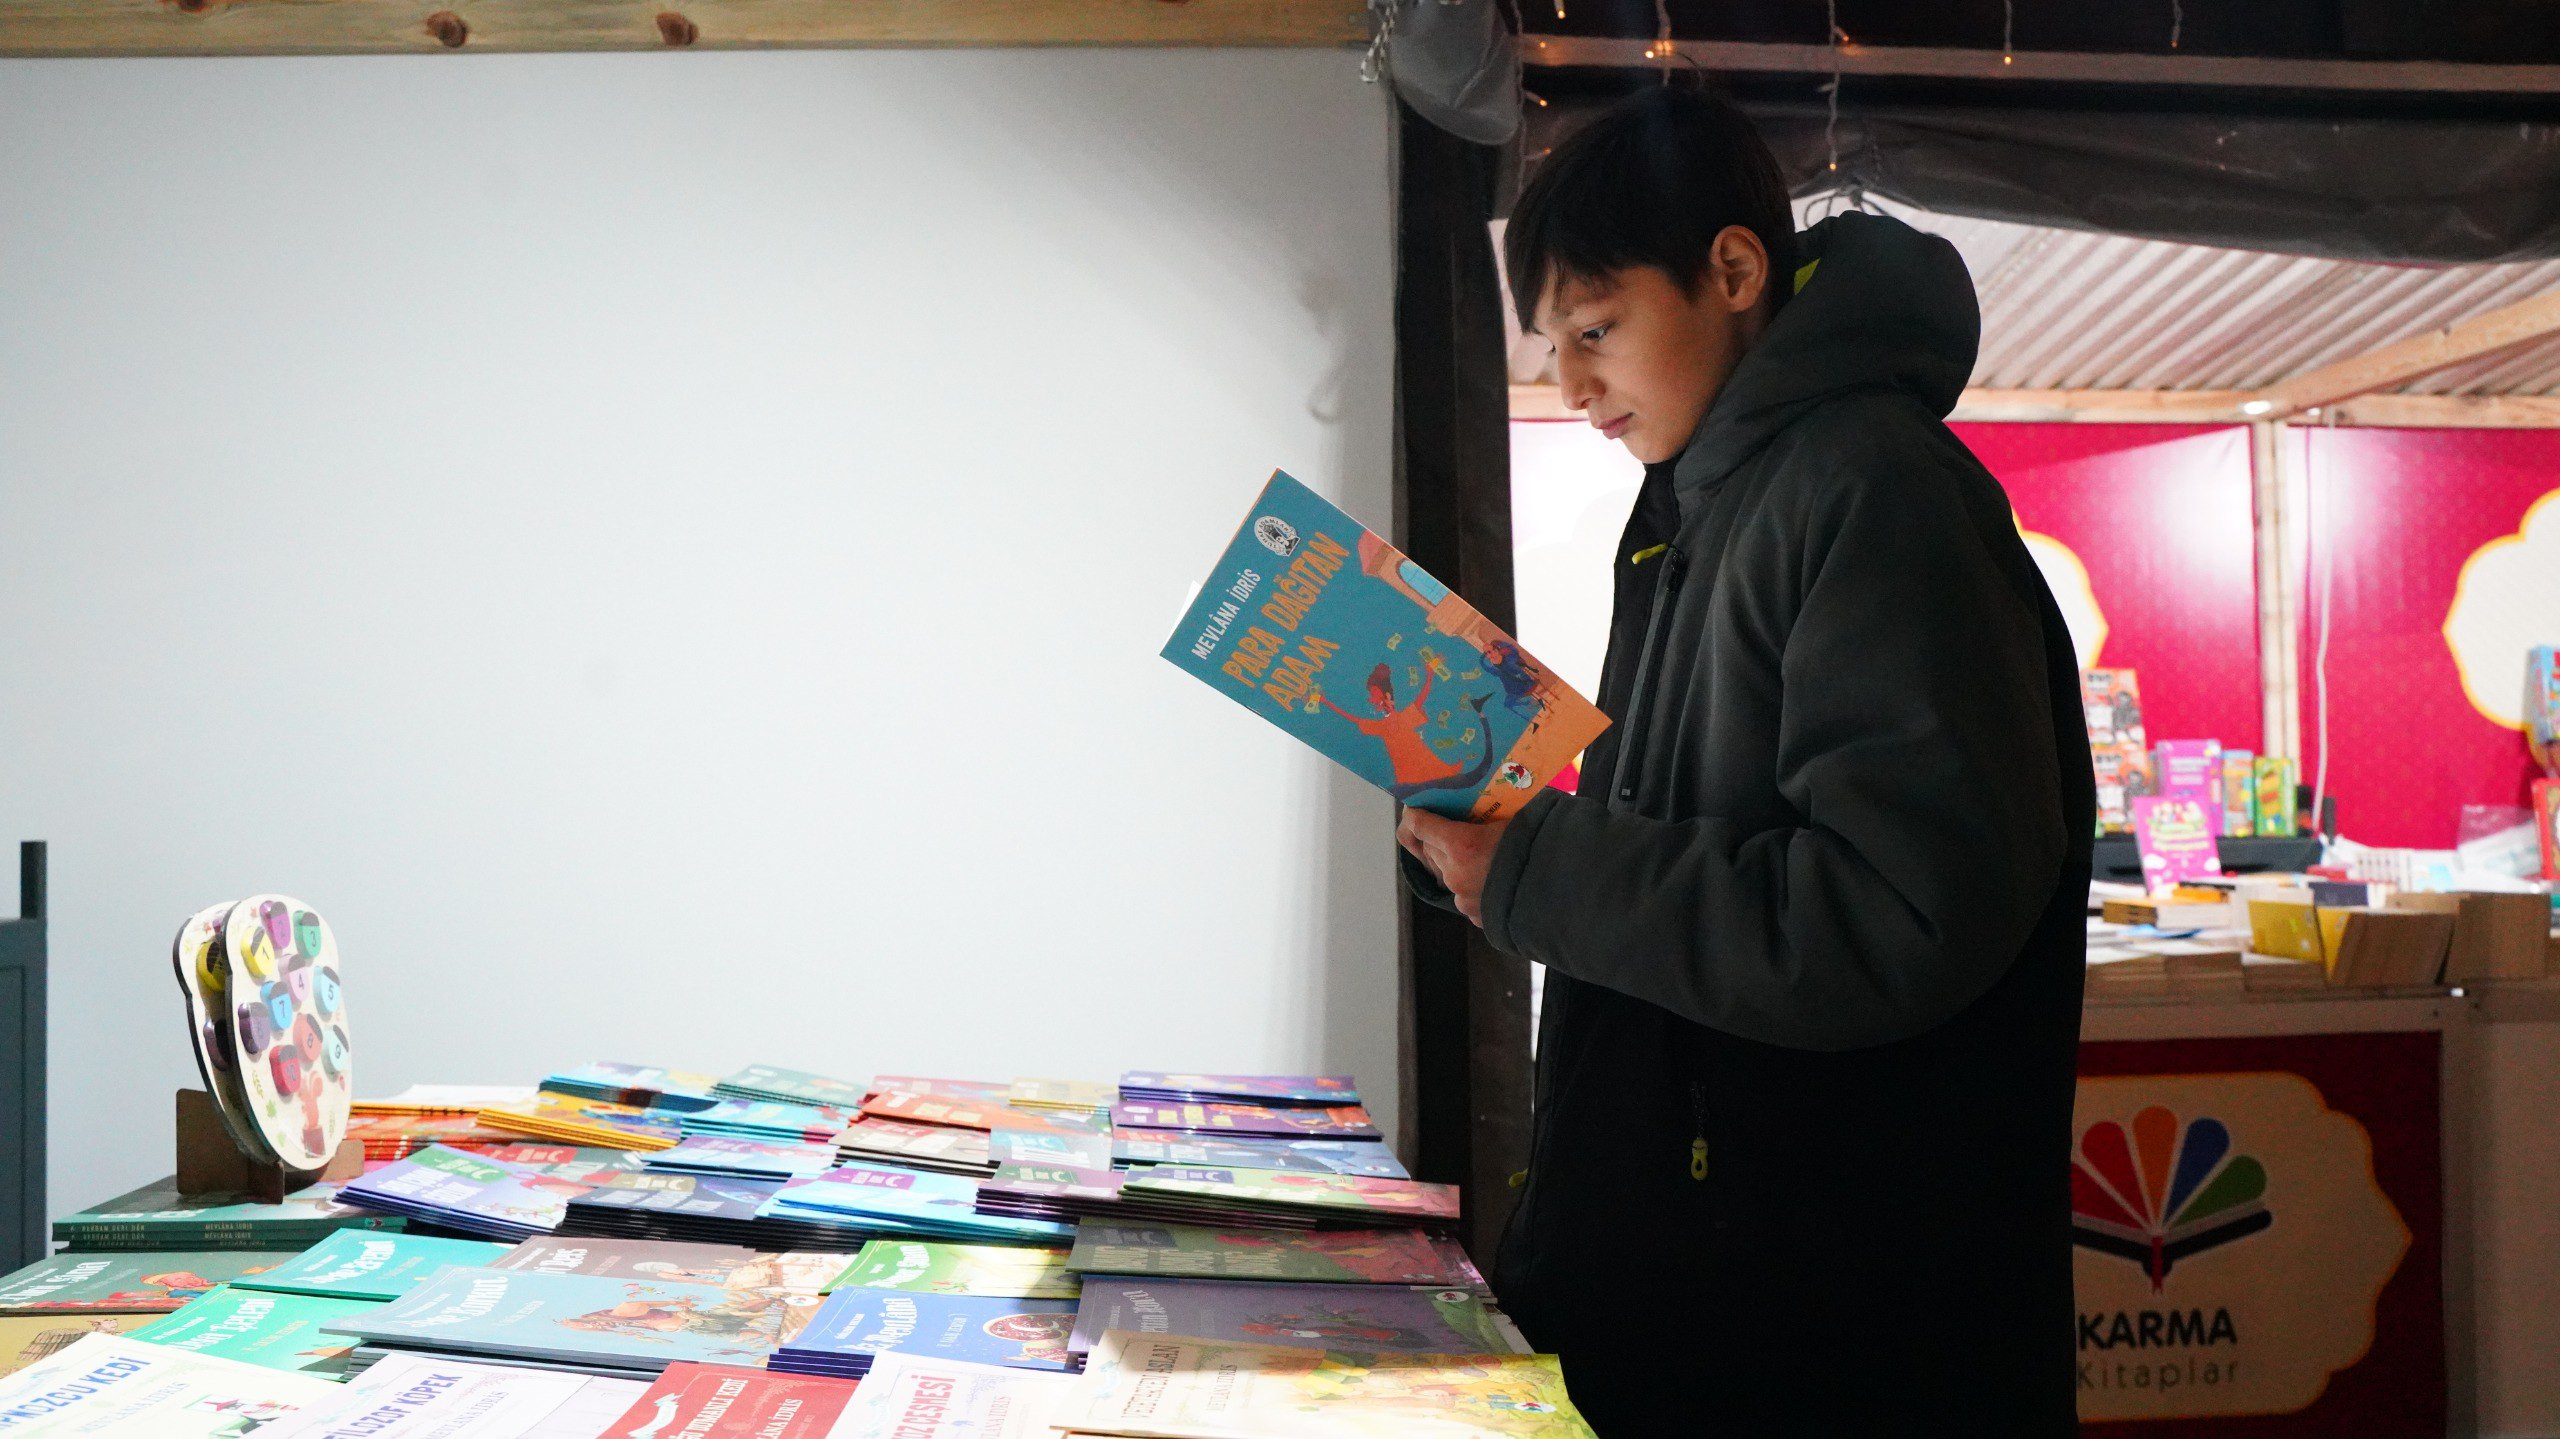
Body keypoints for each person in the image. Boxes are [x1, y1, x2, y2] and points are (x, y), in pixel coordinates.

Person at [1396, 87, 2091, 1437]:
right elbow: (1704, 840)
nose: (1571, 386)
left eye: (1596, 330)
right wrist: (1485, 833)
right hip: (1711, 1285)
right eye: (1553, 345)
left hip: (1830, 1324)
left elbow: (1894, 913)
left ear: (1731, 271)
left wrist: (1541, 868)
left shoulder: (1871, 489)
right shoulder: (1702, 506)